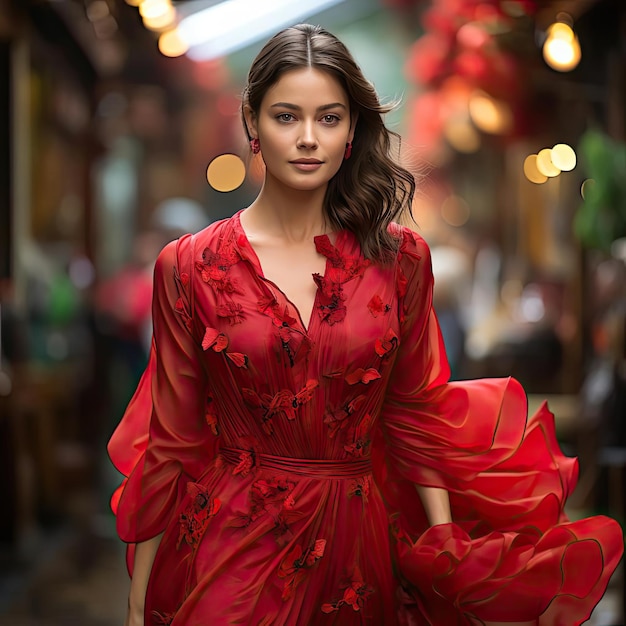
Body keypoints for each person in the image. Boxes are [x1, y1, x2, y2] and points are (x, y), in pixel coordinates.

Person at [108, 24, 624, 626]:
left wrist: (447, 551)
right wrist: (139, 601)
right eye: (285, 117)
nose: (307, 139)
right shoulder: (188, 265)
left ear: (352, 130)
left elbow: (415, 413)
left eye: (328, 118)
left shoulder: (401, 261)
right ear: (252, 124)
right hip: (230, 543)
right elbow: (171, 439)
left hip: (355, 546)